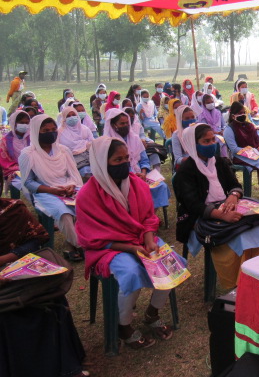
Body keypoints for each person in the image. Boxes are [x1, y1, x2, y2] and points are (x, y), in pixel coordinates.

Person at [76, 137, 178, 349]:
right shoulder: (87, 195)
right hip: (108, 248)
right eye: (117, 160)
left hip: (140, 239)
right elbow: (91, 237)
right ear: (101, 163)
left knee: (171, 262)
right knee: (131, 272)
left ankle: (152, 312)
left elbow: (149, 218)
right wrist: (130, 248)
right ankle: (123, 326)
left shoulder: (137, 184)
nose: (124, 163)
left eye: (126, 158)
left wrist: (149, 240)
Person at [174, 123, 259, 289]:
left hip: (225, 207)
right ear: (193, 144)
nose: (212, 144)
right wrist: (222, 215)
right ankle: (238, 283)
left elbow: (235, 185)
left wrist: (233, 196)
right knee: (240, 236)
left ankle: (255, 277)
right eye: (206, 141)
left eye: (213, 139)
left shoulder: (218, 162)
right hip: (201, 217)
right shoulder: (186, 170)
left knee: (258, 228)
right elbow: (194, 205)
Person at [0, 198, 88, 376]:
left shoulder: (12, 209)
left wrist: (7, 259)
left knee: (50, 292)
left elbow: (36, 240)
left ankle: (66, 366)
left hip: (16, 269)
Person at [19, 114, 84, 261]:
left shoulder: (63, 150)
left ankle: (73, 243)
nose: (51, 133)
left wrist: (71, 185)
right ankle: (80, 245)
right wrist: (52, 190)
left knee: (88, 204)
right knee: (64, 213)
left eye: (54, 129)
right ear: (36, 132)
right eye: (46, 130)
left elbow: (73, 174)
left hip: (69, 187)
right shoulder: (28, 154)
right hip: (45, 192)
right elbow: (28, 182)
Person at [104, 109, 170, 211]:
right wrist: (132, 176)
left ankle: (151, 214)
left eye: (127, 123)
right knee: (137, 190)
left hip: (140, 174)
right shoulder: (107, 143)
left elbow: (144, 160)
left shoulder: (135, 138)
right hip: (121, 177)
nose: (126, 125)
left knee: (161, 186)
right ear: (113, 125)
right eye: (122, 123)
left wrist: (143, 173)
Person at [224, 102, 259, 202]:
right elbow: (234, 148)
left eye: (243, 113)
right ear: (233, 116)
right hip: (239, 156)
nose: (242, 115)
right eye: (239, 113)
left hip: (254, 153)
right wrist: (249, 152)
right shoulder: (229, 129)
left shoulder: (250, 126)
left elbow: (257, 140)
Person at [58, 106, 94, 178]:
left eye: (73, 115)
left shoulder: (84, 128)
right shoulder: (60, 132)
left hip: (89, 154)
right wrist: (84, 143)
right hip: (73, 158)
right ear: (64, 118)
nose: (71, 117)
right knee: (86, 172)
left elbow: (92, 142)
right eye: (68, 116)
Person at [0, 110, 30, 193]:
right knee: (17, 179)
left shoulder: (33, 138)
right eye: (21, 122)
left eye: (27, 123)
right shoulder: (5, 141)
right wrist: (20, 168)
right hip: (14, 170)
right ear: (14, 123)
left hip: (33, 167)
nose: (25, 125)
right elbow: (5, 161)